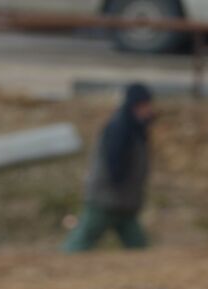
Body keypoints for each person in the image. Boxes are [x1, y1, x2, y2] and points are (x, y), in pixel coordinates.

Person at [63, 84, 155, 253]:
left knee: (138, 247)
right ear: (137, 104)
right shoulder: (120, 127)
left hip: (123, 202)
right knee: (79, 243)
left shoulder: (134, 126)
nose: (150, 110)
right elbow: (114, 162)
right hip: (107, 199)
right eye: (147, 105)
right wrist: (118, 185)